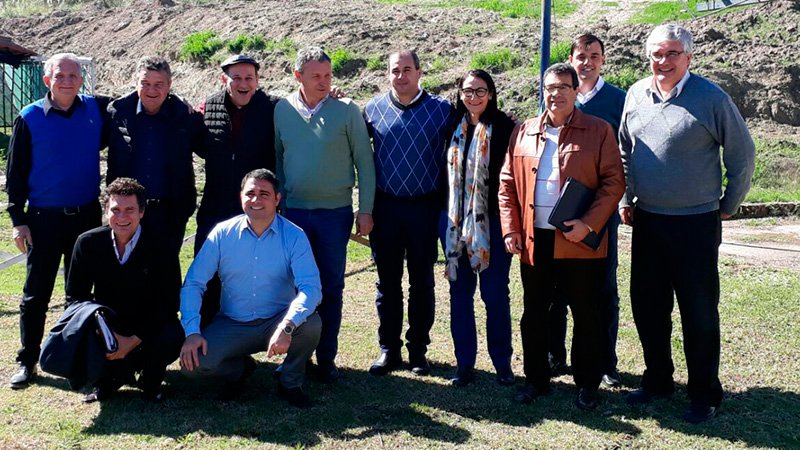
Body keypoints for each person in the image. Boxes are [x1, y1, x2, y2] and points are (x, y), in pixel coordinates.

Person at [619, 24, 755, 423]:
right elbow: (625, 149)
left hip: (696, 223)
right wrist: (626, 197)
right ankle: (658, 380)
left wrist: (728, 204)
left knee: (698, 312)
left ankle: (704, 394)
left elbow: (743, 154)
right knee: (648, 307)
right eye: (657, 54)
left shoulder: (711, 98)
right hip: (648, 221)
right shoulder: (636, 94)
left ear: (689, 57)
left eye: (673, 53)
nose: (664, 61)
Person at [498, 63, 624, 410]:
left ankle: (588, 383)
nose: (556, 94)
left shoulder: (598, 130)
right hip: (535, 240)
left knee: (586, 313)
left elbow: (614, 182)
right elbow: (507, 184)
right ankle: (536, 379)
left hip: (578, 240)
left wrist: (589, 224)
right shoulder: (524, 131)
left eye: (563, 87)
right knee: (534, 313)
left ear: (576, 91)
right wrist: (511, 228)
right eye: (550, 87)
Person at [6, 53, 108, 389]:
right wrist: (18, 220)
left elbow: (138, 102)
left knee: (80, 292)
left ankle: (76, 358)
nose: (67, 81)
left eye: (73, 75)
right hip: (43, 220)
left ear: (82, 80)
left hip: (86, 217)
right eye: (60, 75)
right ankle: (27, 360)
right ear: (47, 79)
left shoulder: (96, 109)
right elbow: (15, 174)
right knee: (36, 293)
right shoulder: (29, 117)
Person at [274, 46, 376, 383]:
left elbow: (364, 162)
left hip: (335, 214)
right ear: (298, 76)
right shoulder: (282, 110)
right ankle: (297, 358)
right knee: (296, 287)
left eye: (328, 75)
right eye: (316, 76)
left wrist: (365, 209)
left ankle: (326, 358)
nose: (324, 82)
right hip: (294, 214)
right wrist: (279, 202)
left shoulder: (347, 109)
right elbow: (278, 159)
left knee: (331, 286)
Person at [179, 169, 322, 408]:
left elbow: (311, 287)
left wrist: (288, 326)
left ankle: (290, 381)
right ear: (241, 197)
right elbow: (194, 283)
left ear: (277, 199)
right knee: (191, 366)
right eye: (250, 193)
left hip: (277, 320)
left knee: (312, 325)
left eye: (264, 194)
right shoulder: (221, 234)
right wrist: (192, 332)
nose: (256, 200)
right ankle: (239, 370)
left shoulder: (294, 236)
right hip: (233, 322)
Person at [363, 50, 451, 377]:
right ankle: (389, 349)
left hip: (424, 207)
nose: (401, 76)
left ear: (419, 72)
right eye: (395, 70)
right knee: (387, 283)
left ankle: (418, 351)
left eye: (407, 70)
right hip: (385, 207)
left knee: (421, 282)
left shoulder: (442, 110)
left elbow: (471, 132)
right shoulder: (372, 110)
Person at [548, 33, 627, 386]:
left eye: (594, 55)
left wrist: (623, 201)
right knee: (557, 287)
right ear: (571, 59)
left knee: (602, 287)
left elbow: (626, 155)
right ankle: (554, 354)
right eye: (581, 55)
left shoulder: (618, 100)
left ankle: (605, 361)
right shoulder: (558, 95)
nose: (587, 62)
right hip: (561, 210)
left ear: (603, 60)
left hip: (600, 211)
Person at [64, 178, 184, 403]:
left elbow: (169, 301)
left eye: (130, 210)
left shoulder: (162, 244)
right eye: (115, 210)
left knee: (171, 336)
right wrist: (101, 330)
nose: (121, 217)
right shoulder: (87, 243)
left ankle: (150, 377)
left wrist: (134, 339)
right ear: (106, 210)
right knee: (82, 334)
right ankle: (108, 379)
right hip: (108, 323)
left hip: (148, 321)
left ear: (142, 212)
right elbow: (75, 297)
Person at [438, 69, 516, 387]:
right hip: (454, 223)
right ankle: (464, 364)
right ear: (460, 94)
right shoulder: (450, 126)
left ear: (491, 94)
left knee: (494, 294)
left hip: (492, 223)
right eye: (468, 91)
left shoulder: (506, 127)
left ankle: (502, 363)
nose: (474, 97)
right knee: (460, 293)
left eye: (480, 91)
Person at [194, 54, 281, 329]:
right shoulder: (207, 108)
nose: (243, 84)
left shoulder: (274, 108)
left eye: (249, 78)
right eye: (237, 78)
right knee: (207, 276)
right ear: (224, 79)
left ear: (257, 80)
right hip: (215, 206)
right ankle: (204, 335)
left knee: (257, 275)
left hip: (257, 209)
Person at [106, 55, 203, 264]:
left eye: (159, 84)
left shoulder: (185, 115)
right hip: (127, 210)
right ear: (136, 83)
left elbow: (209, 147)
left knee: (166, 270)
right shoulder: (116, 112)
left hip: (171, 210)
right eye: (145, 83)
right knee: (126, 268)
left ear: (169, 85)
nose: (152, 90)